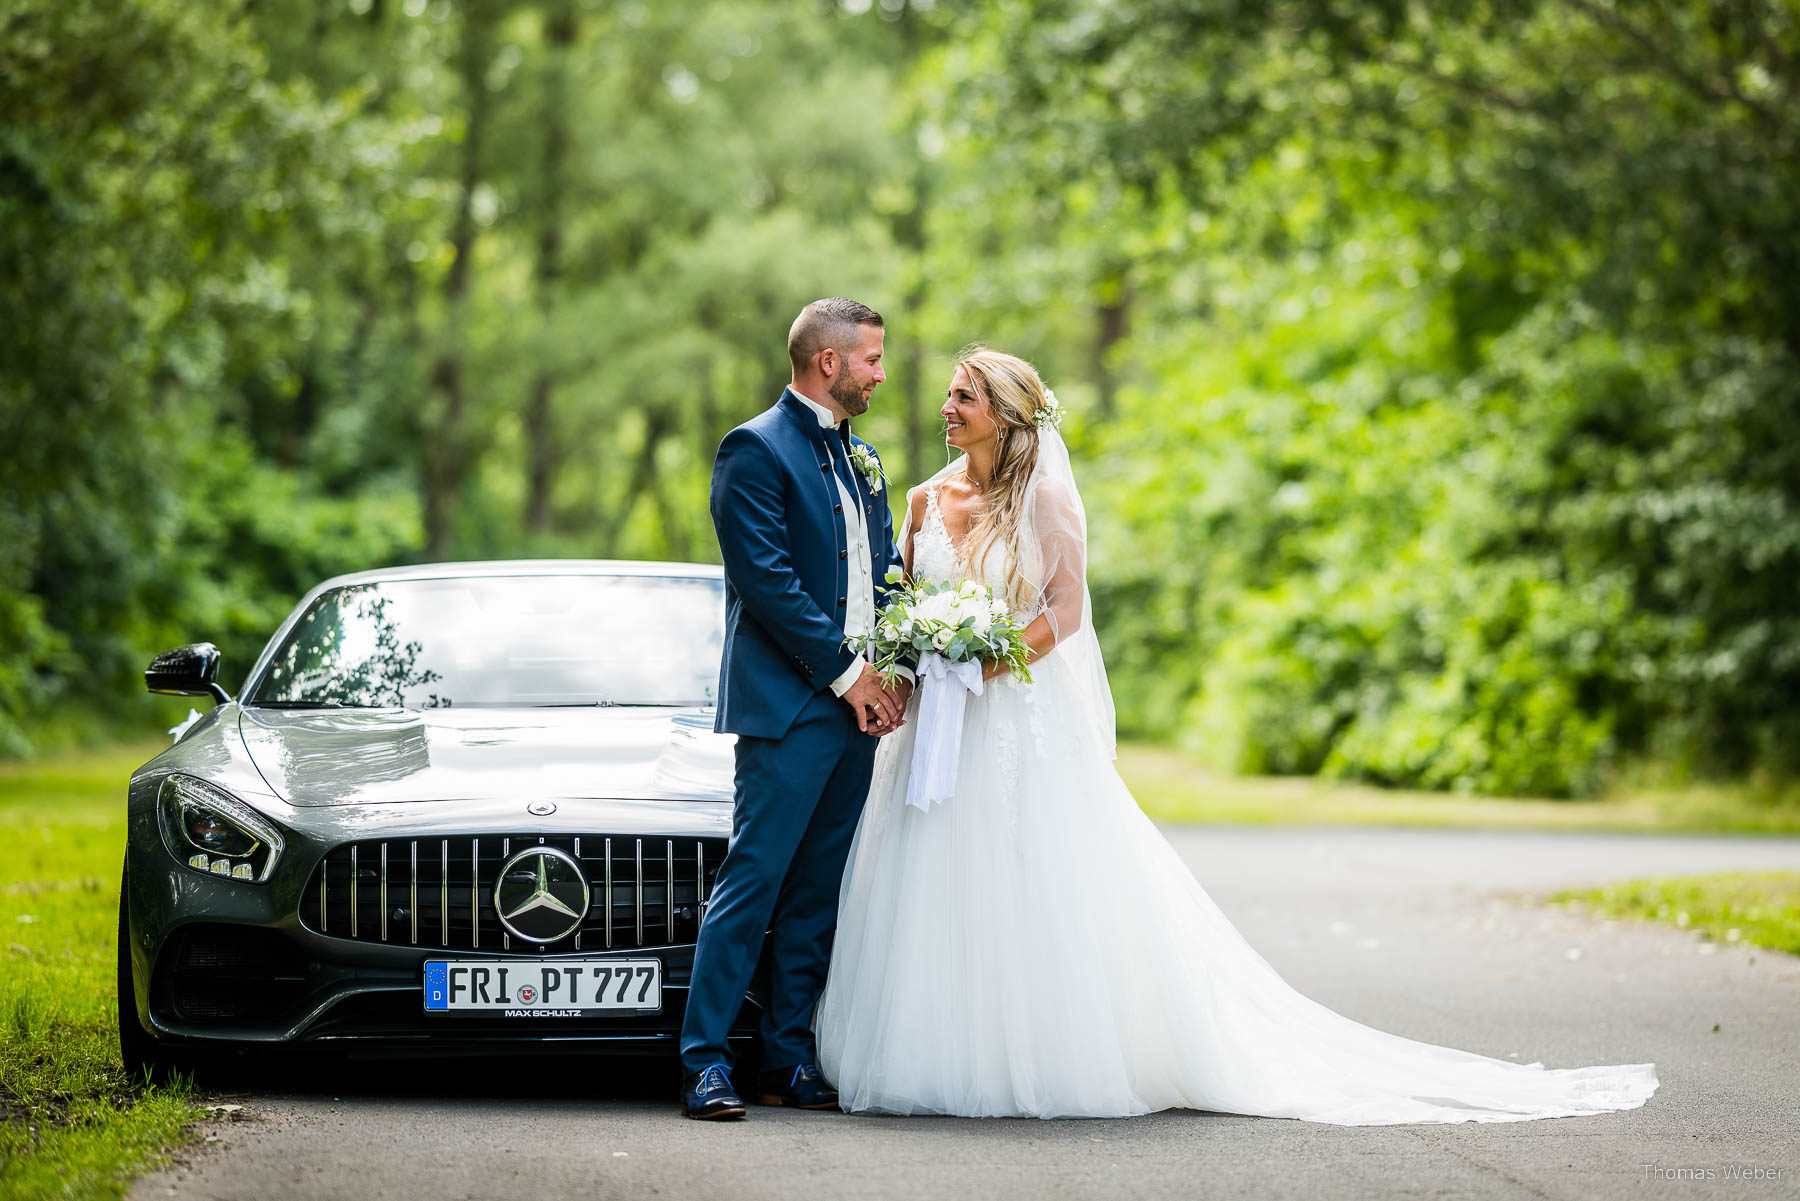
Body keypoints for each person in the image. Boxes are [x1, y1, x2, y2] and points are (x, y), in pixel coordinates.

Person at [812, 347, 1659, 1124]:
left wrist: (986, 663)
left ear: (1004, 411)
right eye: (952, 394)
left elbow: (1065, 613)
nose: (947, 407)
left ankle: (1029, 1054)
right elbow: (897, 605)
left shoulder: (1047, 497)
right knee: (930, 874)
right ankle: (934, 1044)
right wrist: (922, 659)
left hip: (1015, 719)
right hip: (933, 728)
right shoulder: (921, 497)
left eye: (964, 396)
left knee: (1029, 875)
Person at [679, 298, 914, 1120]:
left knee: (819, 891)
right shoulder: (753, 448)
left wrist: (898, 665)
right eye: (873, 360)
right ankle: (705, 1060)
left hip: (859, 709)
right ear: (829, 363)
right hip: (789, 708)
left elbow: (885, 576)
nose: (882, 374)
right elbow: (767, 583)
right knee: (753, 882)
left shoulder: (866, 460)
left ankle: (787, 1056)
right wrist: (851, 676)